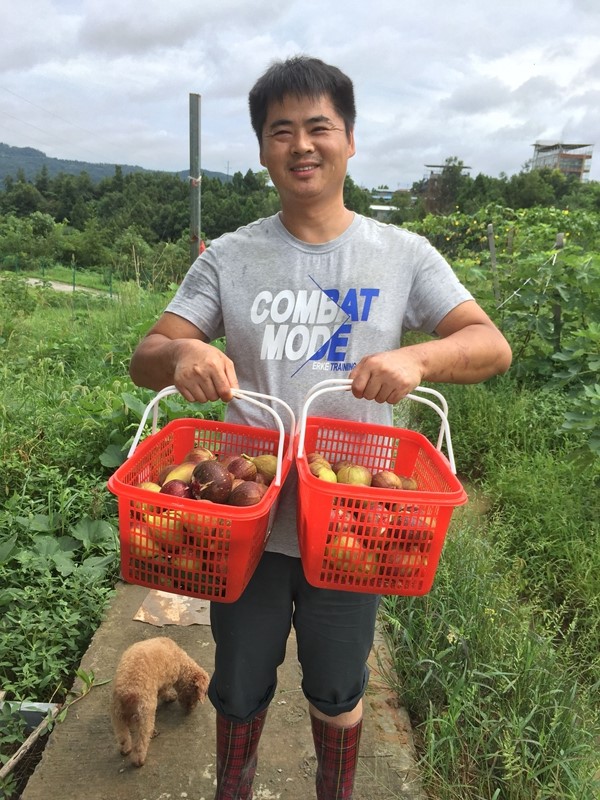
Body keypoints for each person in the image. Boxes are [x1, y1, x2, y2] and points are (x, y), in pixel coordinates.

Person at [129, 55, 512, 800]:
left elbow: (489, 345)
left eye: (318, 128)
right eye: (282, 132)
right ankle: (232, 788)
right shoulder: (230, 259)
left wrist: (419, 358)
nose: (301, 145)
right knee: (238, 683)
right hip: (246, 522)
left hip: (357, 524)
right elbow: (146, 359)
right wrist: (181, 350)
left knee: (338, 687)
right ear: (264, 149)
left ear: (349, 140)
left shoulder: (403, 254)